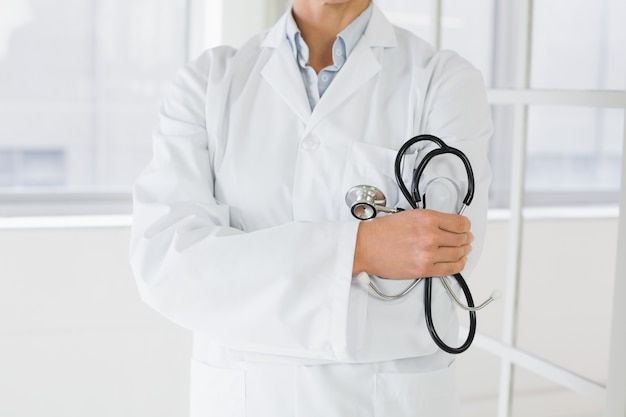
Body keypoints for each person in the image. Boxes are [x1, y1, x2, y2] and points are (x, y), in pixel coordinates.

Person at [129, 0, 492, 416]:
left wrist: (243, 282)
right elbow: (169, 266)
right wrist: (363, 248)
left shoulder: (444, 82)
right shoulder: (206, 83)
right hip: (248, 399)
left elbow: (445, 256)